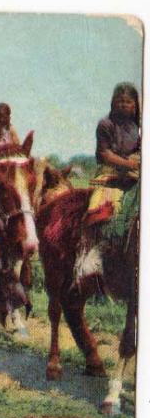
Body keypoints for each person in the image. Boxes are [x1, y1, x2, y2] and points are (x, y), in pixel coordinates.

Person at [76, 82, 141, 280]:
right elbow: (104, 153)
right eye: (120, 101)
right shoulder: (105, 124)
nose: (124, 105)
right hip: (109, 175)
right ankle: (95, 252)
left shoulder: (139, 126)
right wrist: (127, 164)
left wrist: (138, 159)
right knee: (100, 208)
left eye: (128, 102)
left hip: (135, 174)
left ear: (135, 104)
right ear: (113, 103)